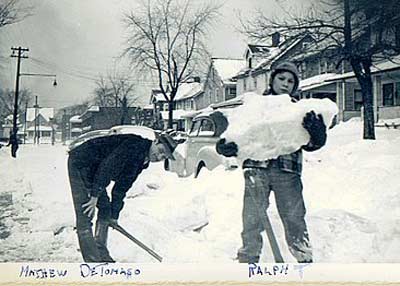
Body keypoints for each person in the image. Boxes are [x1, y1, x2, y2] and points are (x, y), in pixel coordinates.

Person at [216, 61, 327, 263]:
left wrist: (317, 135)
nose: (285, 83)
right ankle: (248, 258)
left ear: (295, 86)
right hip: (255, 169)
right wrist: (227, 144)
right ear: (273, 79)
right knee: (252, 216)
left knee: (294, 216)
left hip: (287, 170)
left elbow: (308, 144)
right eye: (281, 78)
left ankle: (303, 258)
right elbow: (239, 132)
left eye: (291, 81)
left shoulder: (299, 110)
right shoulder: (255, 107)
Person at [67, 126, 178, 263]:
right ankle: (93, 262)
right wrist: (94, 196)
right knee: (85, 212)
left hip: (95, 171)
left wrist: (114, 216)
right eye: (161, 151)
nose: (159, 156)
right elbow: (107, 167)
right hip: (81, 162)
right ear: (155, 142)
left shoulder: (142, 161)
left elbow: (120, 189)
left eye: (164, 157)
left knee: (106, 210)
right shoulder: (134, 146)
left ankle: (101, 253)